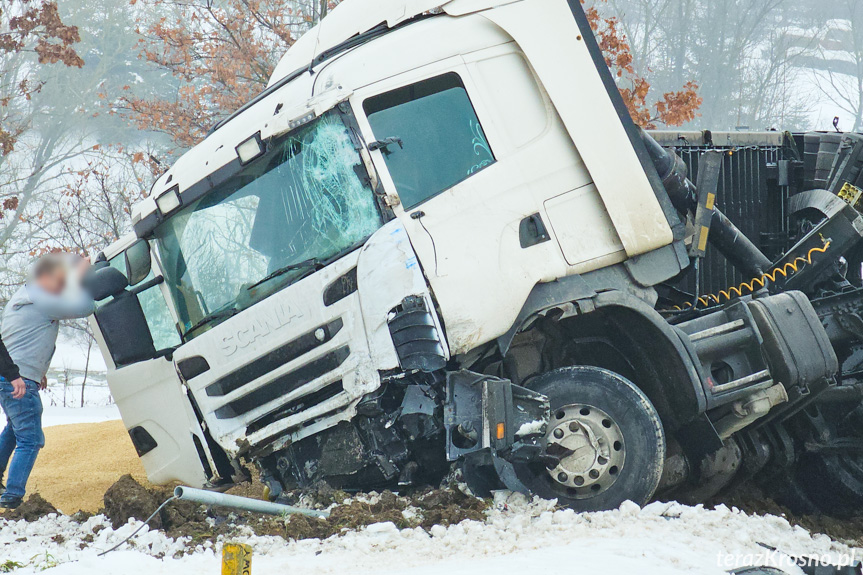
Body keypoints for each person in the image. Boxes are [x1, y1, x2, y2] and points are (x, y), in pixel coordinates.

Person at [0, 254, 95, 508]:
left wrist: (39, 370)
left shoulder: (29, 296)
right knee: (30, 438)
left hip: (14, 375)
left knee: (14, 430)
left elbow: (30, 336)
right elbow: (85, 306)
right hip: (16, 378)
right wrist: (80, 277)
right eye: (60, 280)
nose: (63, 286)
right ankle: (12, 497)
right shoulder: (39, 297)